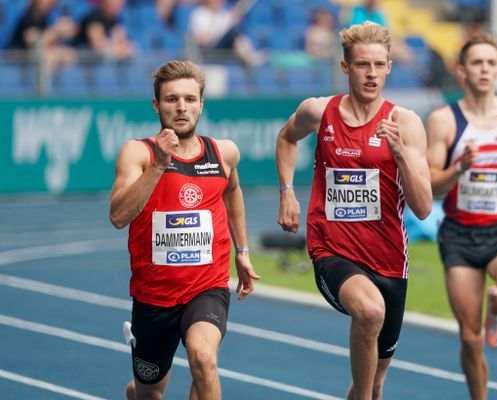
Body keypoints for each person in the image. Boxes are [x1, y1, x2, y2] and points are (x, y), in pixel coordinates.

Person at [276, 21, 432, 400]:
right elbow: (286, 137)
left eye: (379, 65)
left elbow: (424, 207)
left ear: (390, 67)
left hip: (390, 261)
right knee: (369, 312)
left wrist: (401, 156)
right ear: (346, 67)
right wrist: (287, 192)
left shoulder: (406, 123)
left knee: (375, 384)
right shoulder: (319, 111)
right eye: (363, 65)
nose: (372, 74)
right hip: (333, 250)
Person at [109, 60, 260, 400]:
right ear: (156, 105)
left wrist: (243, 252)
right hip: (154, 296)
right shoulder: (139, 153)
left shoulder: (224, 152)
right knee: (149, 392)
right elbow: (118, 216)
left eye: (190, 99)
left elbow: (233, 191)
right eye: (172, 99)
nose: (181, 107)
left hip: (206, 287)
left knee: (203, 359)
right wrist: (160, 166)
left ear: (201, 104)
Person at [426, 32, 497, 400]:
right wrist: (460, 167)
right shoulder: (444, 121)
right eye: (477, 62)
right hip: (459, 235)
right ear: (462, 70)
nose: (486, 69)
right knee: (471, 338)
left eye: (492, 62)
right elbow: (431, 185)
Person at [7, 0, 77, 74]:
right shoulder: (28, 17)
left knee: (67, 54)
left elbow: (50, 43)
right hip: (20, 57)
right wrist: (57, 31)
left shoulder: (45, 18)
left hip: (35, 56)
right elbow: (33, 41)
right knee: (50, 56)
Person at [188, 0, 263, 66]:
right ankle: (250, 58)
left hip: (226, 47)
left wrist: (234, 20)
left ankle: (248, 57)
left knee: (236, 34)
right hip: (209, 50)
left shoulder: (224, 14)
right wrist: (220, 30)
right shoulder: (200, 13)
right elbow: (202, 40)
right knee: (233, 34)